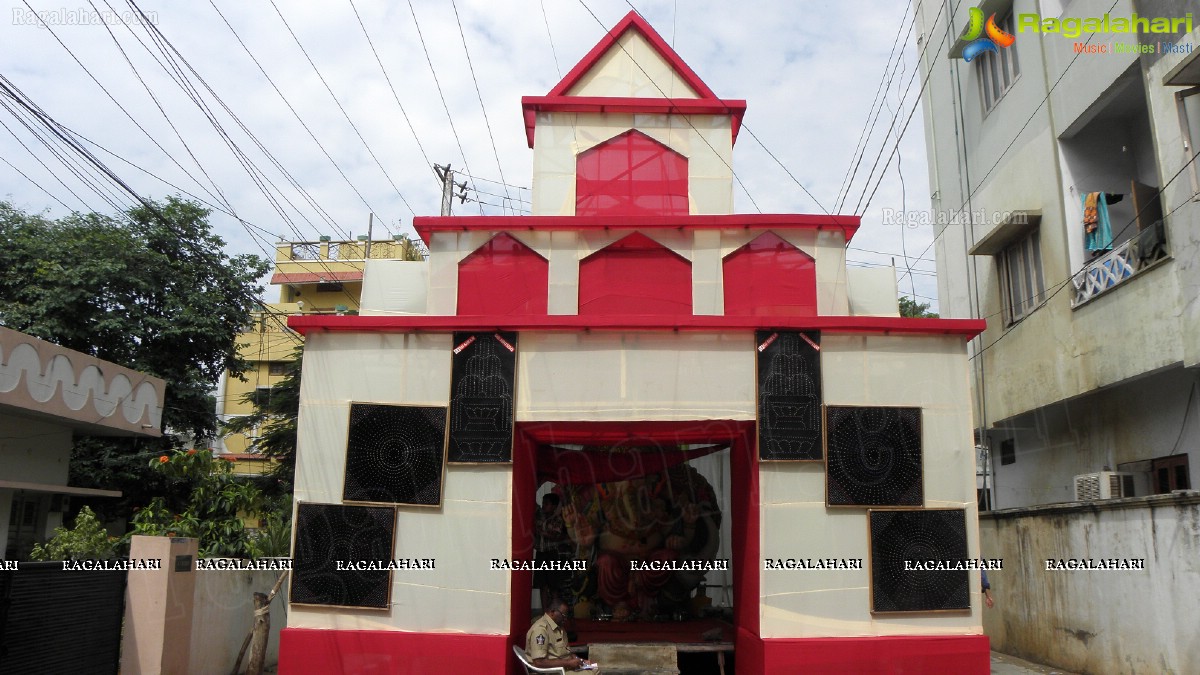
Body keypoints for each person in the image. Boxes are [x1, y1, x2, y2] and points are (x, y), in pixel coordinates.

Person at [526, 598, 599, 672]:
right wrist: (568, 663)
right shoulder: (541, 630)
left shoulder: (559, 627)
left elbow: (566, 652)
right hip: (554, 672)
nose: (565, 619)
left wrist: (581, 661)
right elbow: (539, 662)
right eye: (563, 615)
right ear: (552, 612)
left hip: (565, 667)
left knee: (594, 670)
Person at [534, 493, 573, 611]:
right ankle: (545, 611)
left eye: (546, 504)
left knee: (553, 584)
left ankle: (555, 611)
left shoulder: (558, 519)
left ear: (554, 506)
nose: (543, 506)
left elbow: (555, 536)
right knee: (542, 584)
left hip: (552, 554)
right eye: (543, 503)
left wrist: (540, 531)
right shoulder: (539, 516)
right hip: (541, 553)